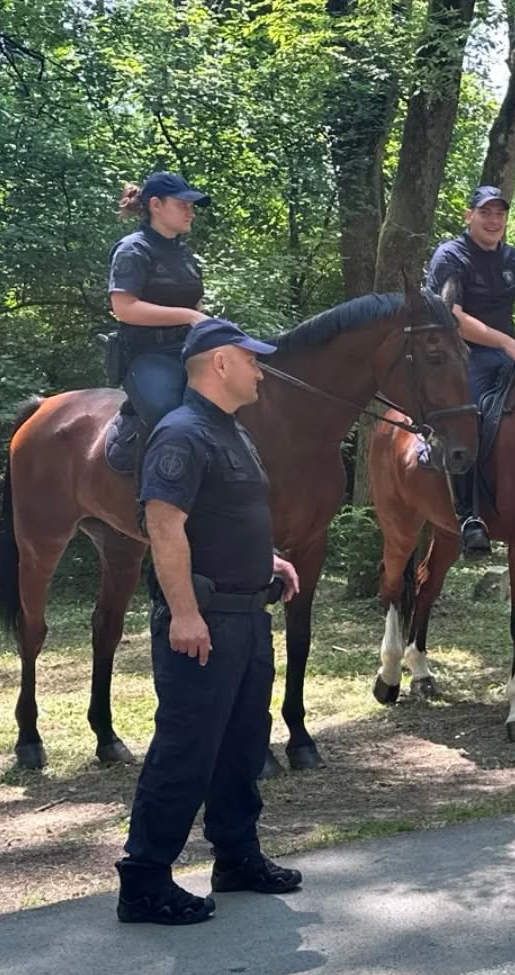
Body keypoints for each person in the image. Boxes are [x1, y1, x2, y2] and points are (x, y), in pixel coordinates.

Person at [116, 318, 303, 926]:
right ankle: (144, 882)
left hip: (247, 617)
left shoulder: (231, 431)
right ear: (219, 363)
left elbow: (224, 512)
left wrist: (266, 558)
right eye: (251, 359)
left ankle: (237, 857)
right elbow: (164, 525)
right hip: (205, 622)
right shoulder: (181, 433)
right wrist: (185, 614)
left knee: (242, 742)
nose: (260, 370)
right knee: (187, 748)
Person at [424, 184, 515, 556]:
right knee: (470, 420)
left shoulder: (513, 260)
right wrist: (506, 342)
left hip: (511, 355)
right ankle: (470, 515)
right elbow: (451, 317)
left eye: (499, 213)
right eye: (485, 212)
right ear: (469, 216)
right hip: (460, 357)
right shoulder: (451, 256)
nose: (493, 220)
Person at [109, 171, 213, 432]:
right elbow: (124, 308)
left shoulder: (185, 254)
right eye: (182, 205)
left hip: (190, 350)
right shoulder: (132, 249)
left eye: (191, 206)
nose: (191, 213)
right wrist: (189, 316)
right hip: (147, 355)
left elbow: (195, 304)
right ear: (156, 205)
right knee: (170, 418)